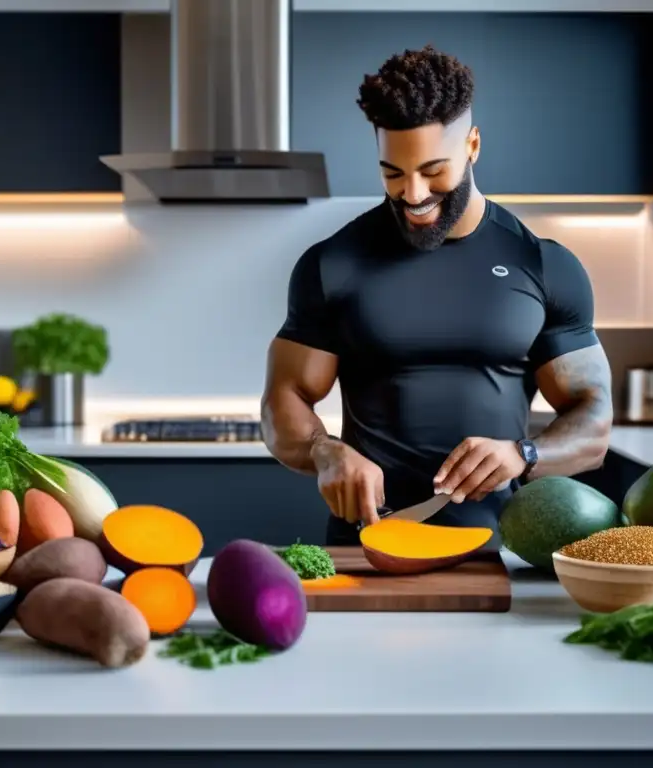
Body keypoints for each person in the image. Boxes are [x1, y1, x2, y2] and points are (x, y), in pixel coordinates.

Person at [260, 45, 613, 547]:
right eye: (393, 173)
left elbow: (594, 418)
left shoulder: (544, 264)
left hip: (504, 549)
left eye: (433, 171)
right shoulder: (332, 263)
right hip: (369, 546)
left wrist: (524, 454)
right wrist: (324, 450)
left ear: (472, 145)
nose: (414, 194)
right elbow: (283, 398)